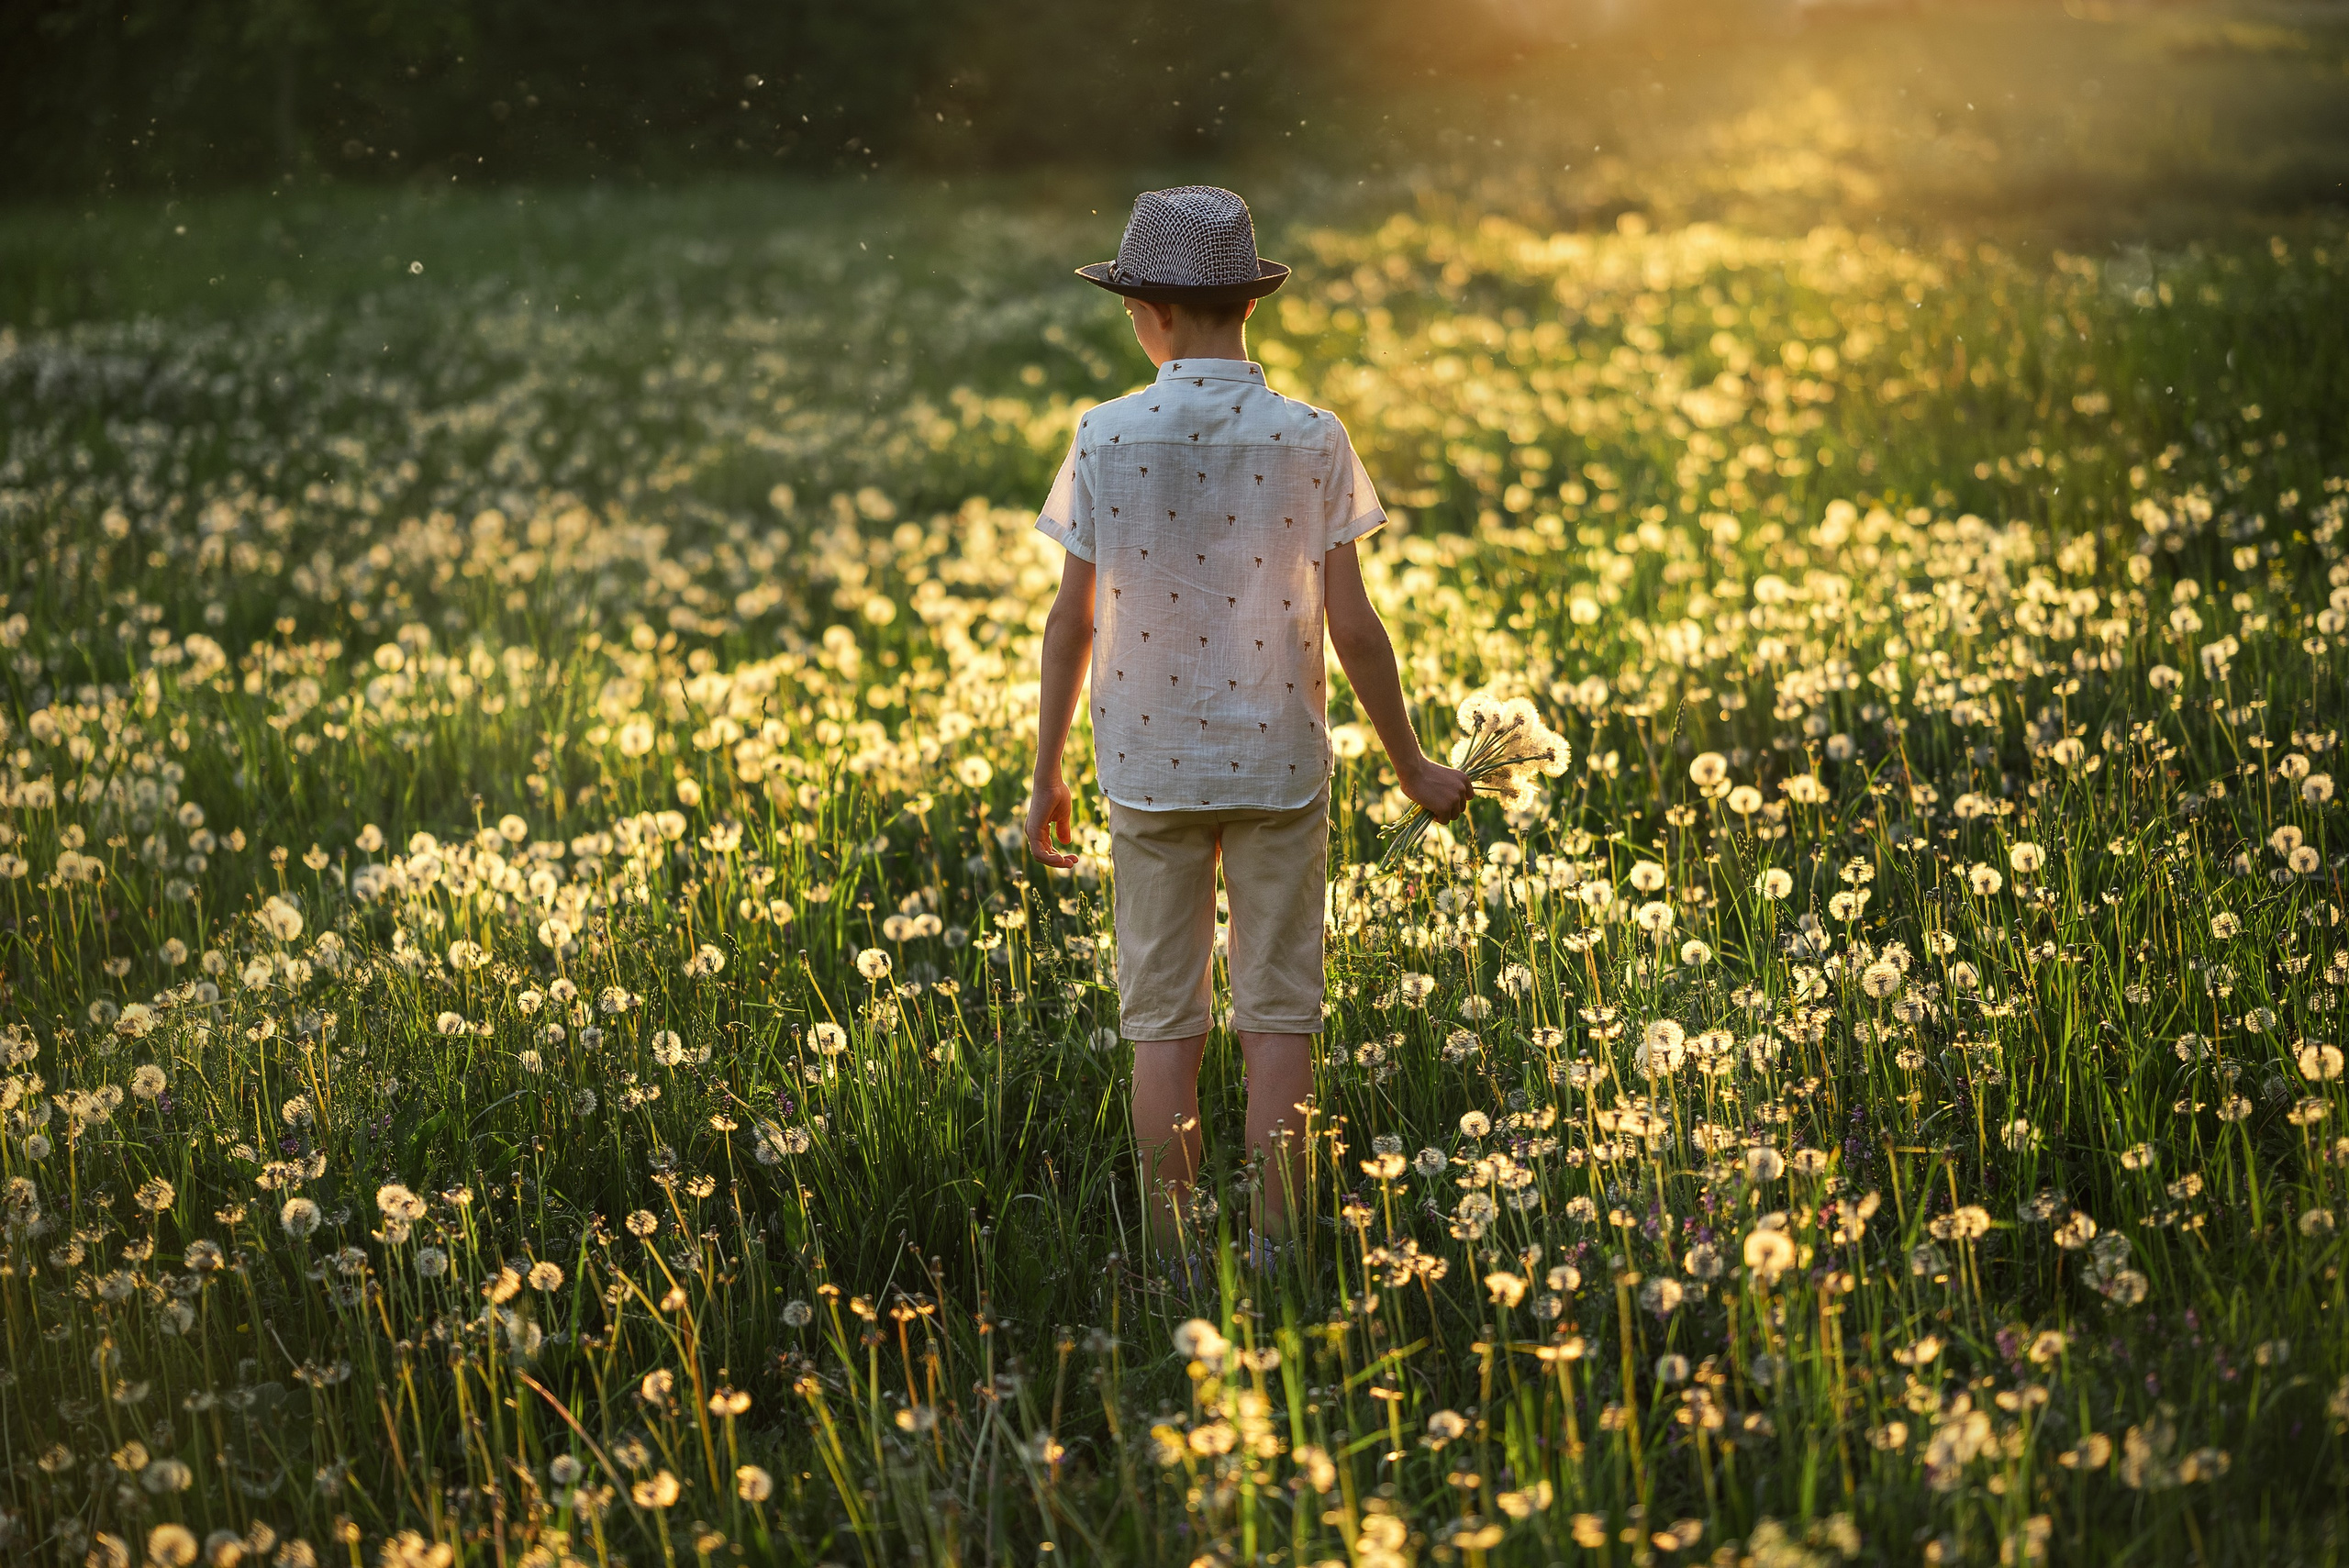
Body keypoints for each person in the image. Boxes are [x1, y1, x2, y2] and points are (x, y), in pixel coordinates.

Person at [1025, 185, 1470, 1269]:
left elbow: (1070, 624)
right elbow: (1356, 630)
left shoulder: (1105, 435)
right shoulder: (1311, 436)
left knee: (1160, 1020)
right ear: (1247, 306)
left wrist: (1046, 775)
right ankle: (1276, 1253)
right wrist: (1410, 764)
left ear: (1151, 311)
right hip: (1278, 762)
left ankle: (1177, 1260)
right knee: (1281, 1014)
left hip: (1147, 765)